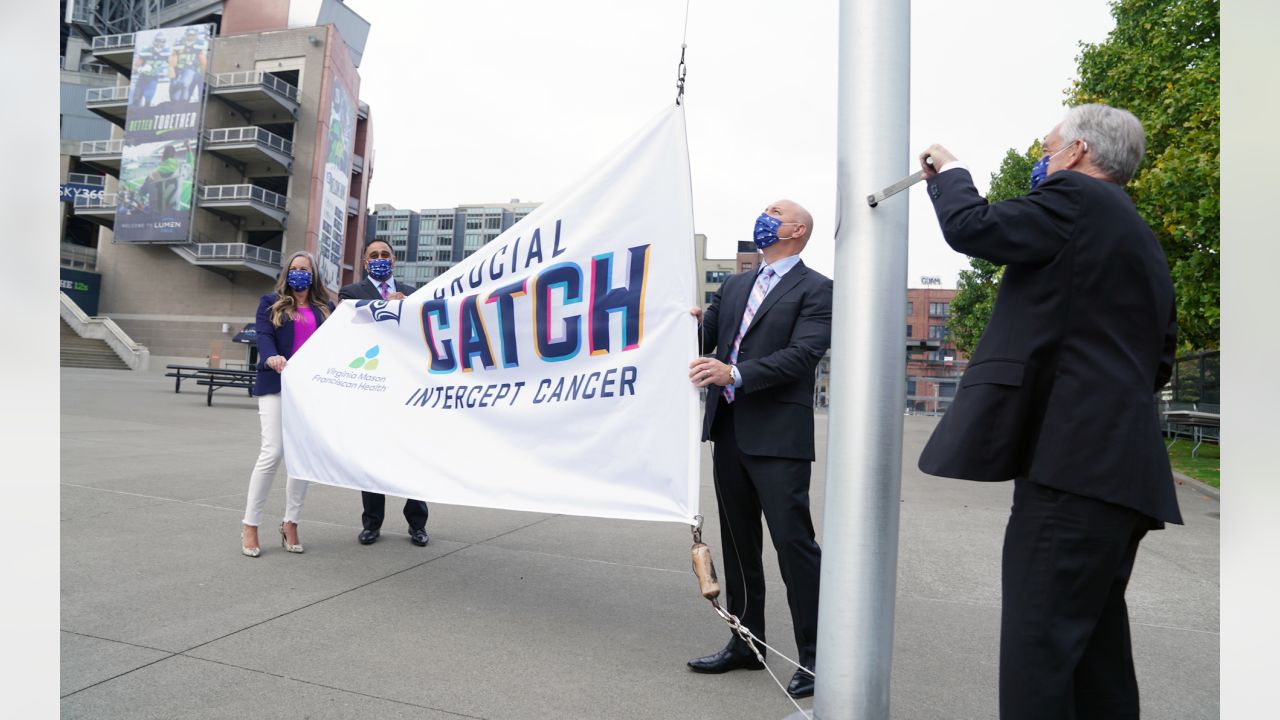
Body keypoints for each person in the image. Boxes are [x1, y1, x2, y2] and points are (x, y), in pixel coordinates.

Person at [916, 103, 1182, 720]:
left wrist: (951, 171)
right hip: (1123, 472)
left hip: (1072, 469)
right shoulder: (1140, 239)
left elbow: (975, 230)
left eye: (1049, 148)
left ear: (1079, 152)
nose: (1044, 160)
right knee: (1095, 657)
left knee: (1039, 651)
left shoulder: (1075, 202)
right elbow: (1159, 360)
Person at [686, 199, 832, 700]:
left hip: (778, 438)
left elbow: (802, 354)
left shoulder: (817, 290)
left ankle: (816, 659)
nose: (764, 215)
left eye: (775, 211)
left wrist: (737, 374)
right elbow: (711, 341)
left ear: (797, 230)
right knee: (738, 545)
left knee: (795, 546)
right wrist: (690, 323)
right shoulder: (736, 285)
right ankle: (746, 644)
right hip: (727, 431)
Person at [241, 251, 336, 557]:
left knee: (302, 458)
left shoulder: (325, 308)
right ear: (287, 273)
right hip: (276, 382)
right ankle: (250, 525)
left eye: (304, 269)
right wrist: (271, 357)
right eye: (294, 269)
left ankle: (291, 522)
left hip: (310, 391)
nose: (299, 273)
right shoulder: (270, 302)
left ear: (313, 275)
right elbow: (264, 335)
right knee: (273, 452)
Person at [337, 239, 430, 547]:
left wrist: (409, 309)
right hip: (372, 387)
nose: (379, 259)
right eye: (373, 255)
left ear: (394, 260)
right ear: (365, 262)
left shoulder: (414, 294)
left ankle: (417, 523)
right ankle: (372, 523)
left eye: (385, 255)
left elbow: (424, 336)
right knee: (373, 456)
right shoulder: (351, 294)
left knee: (413, 456)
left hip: (407, 388)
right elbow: (346, 333)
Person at [168, 27, 207, 104]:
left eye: (192, 35)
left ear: (196, 35)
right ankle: (179, 103)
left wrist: (203, 73)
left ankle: (185, 101)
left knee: (187, 85)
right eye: (189, 35)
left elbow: (203, 61)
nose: (190, 37)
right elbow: (173, 58)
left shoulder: (200, 44)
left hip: (194, 71)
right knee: (176, 93)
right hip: (179, 70)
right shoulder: (179, 43)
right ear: (185, 35)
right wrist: (172, 70)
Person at [131, 33, 170, 108]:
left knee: (149, 96)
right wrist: (140, 69)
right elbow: (135, 66)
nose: (159, 43)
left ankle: (146, 109)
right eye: (158, 41)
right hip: (143, 76)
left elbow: (172, 64)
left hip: (154, 77)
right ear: (154, 41)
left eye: (162, 41)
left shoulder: (166, 52)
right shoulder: (146, 51)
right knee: (137, 97)